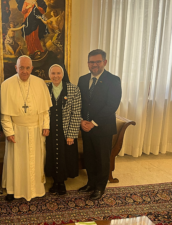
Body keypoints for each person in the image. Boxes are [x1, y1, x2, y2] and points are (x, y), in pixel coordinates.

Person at [1, 55, 52, 201]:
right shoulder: (6, 84)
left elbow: (44, 110)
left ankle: (35, 189)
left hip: (36, 130)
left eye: (27, 68)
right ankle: (13, 189)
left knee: (35, 161)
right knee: (16, 161)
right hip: (17, 130)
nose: (24, 71)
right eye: (21, 67)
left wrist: (46, 126)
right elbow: (5, 114)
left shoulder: (40, 83)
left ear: (32, 68)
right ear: (16, 67)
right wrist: (9, 131)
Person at [77, 49, 122, 200]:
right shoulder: (82, 79)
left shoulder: (113, 80)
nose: (94, 65)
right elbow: (80, 102)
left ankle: (100, 188)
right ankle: (90, 183)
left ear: (104, 62)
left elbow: (112, 105)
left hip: (103, 128)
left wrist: (93, 123)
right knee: (89, 157)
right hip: (86, 128)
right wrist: (82, 120)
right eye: (91, 62)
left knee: (102, 159)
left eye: (97, 61)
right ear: (88, 63)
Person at [45, 64, 81, 195]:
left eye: (58, 73)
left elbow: (76, 113)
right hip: (49, 130)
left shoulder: (74, 89)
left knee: (64, 155)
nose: (56, 76)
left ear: (63, 74)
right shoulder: (45, 88)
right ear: (49, 75)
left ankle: (62, 182)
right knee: (52, 154)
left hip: (65, 130)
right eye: (53, 73)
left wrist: (72, 134)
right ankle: (55, 181)